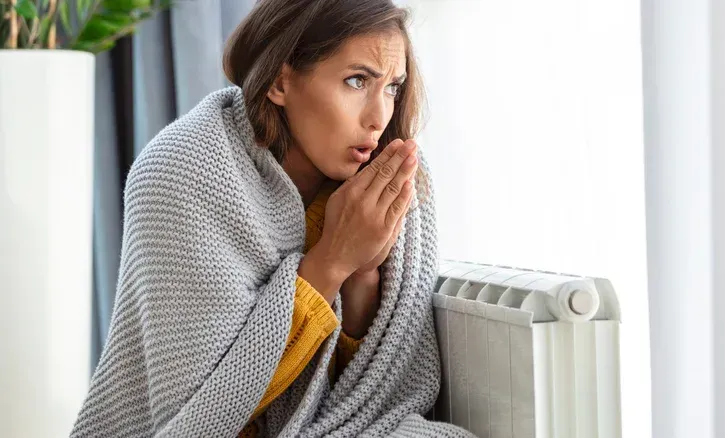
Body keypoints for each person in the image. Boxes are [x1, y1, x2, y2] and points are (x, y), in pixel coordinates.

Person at [71, 0, 473, 436]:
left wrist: (364, 274)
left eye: (393, 87)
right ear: (281, 81)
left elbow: (375, 392)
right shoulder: (182, 171)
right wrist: (332, 260)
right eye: (357, 81)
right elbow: (200, 415)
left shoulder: (386, 179)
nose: (379, 117)